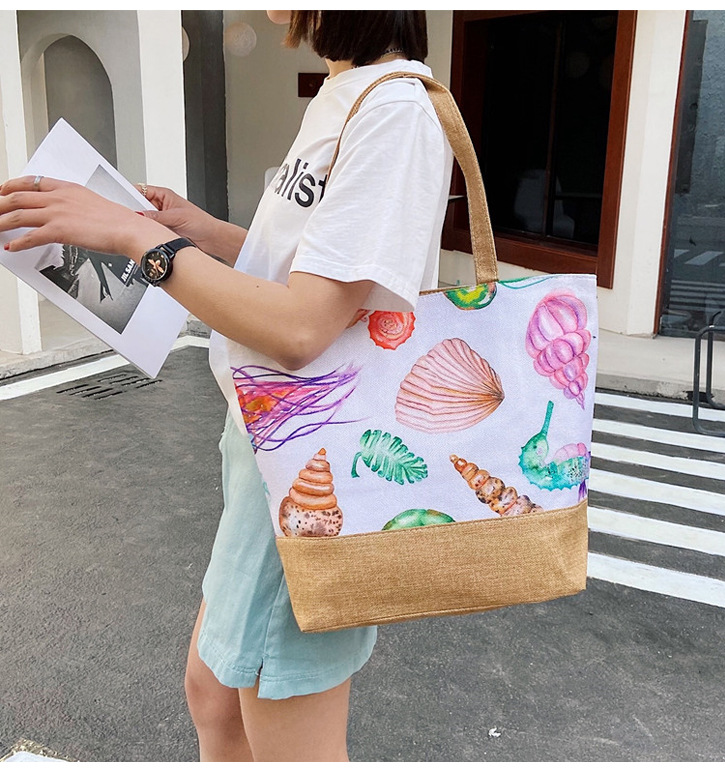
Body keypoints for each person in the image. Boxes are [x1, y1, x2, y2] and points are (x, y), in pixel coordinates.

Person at [0, 10, 452, 762]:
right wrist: (201, 232)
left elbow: (304, 325)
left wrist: (138, 237)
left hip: (308, 462)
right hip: (264, 448)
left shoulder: (395, 111)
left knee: (279, 729)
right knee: (217, 699)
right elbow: (319, 276)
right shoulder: (348, 92)